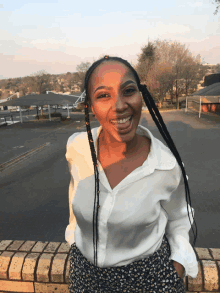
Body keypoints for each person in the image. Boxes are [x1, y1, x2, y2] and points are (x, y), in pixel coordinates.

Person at [65, 55, 199, 292]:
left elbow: (180, 218)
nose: (119, 105)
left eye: (128, 91)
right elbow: (74, 191)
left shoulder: (166, 166)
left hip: (148, 277)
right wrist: (74, 240)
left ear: (141, 96)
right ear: (91, 108)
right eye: (103, 95)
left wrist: (175, 268)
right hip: (85, 274)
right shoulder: (77, 148)